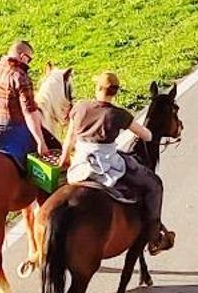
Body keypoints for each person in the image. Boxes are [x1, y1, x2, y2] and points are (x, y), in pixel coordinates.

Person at [61, 71, 173, 254]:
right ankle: (153, 237)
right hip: (108, 164)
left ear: (97, 88)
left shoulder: (80, 107)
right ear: (115, 93)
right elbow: (146, 135)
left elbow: (69, 138)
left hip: (80, 163)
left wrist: (64, 157)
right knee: (155, 185)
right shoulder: (119, 115)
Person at [0, 38, 54, 167]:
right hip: (13, 127)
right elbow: (30, 113)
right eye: (30, 60)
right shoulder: (20, 77)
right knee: (38, 160)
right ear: (23, 57)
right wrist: (41, 142)